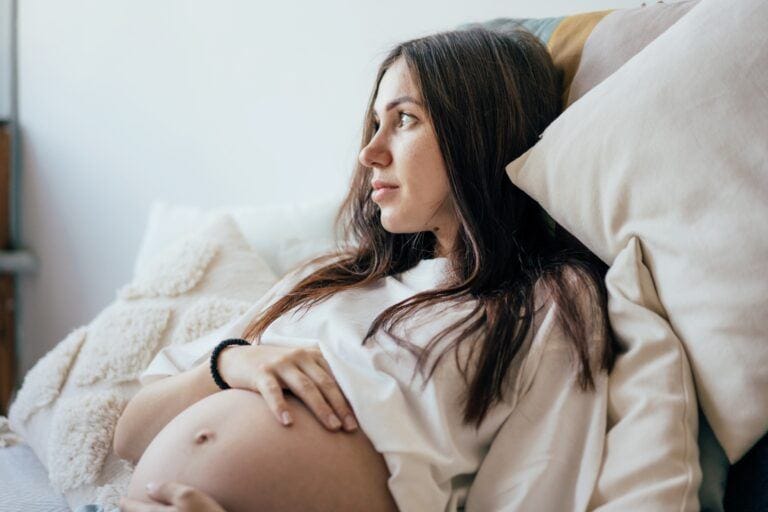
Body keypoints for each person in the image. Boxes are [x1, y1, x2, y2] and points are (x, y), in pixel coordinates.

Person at [113, 26, 616, 512]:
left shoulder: (548, 300)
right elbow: (129, 436)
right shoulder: (329, 278)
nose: (369, 153)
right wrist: (231, 364)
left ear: (480, 131)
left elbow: (539, 493)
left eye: (405, 120)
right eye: (376, 123)